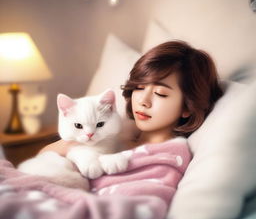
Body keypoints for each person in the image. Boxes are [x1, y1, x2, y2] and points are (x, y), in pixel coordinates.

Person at [41, 40, 223, 155]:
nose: (143, 100)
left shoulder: (168, 156)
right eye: (139, 87)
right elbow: (43, 156)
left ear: (187, 107)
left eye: (160, 93)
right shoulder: (114, 138)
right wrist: (68, 146)